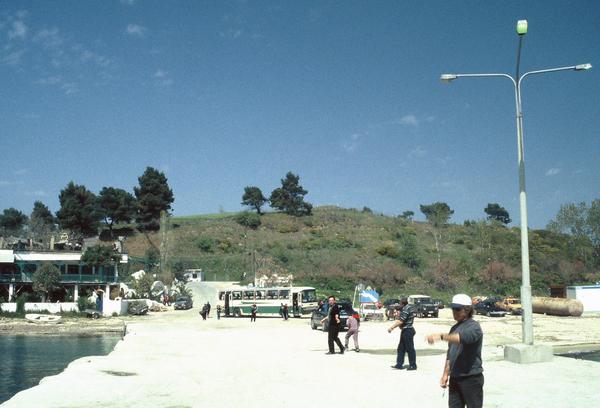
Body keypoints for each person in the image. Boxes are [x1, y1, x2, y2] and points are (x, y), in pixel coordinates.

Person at [426, 294, 484, 408]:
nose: (454, 312)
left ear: (467, 310)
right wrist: (445, 374)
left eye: (457, 309)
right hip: (455, 377)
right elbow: (450, 354)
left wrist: (441, 336)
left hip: (471, 378)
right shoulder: (454, 328)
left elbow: (462, 338)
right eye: (453, 309)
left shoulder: (474, 327)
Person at [387, 298, 417, 370]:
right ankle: (399, 364)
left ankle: (413, 365)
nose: (399, 305)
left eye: (399, 303)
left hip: (408, 330)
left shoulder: (406, 309)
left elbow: (401, 321)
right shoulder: (408, 307)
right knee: (401, 348)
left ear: (402, 304)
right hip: (406, 330)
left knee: (410, 349)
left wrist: (392, 327)